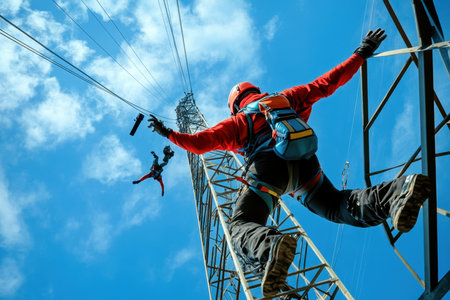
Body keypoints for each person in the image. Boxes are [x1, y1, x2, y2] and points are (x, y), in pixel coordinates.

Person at [147, 29, 431, 297]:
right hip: (306, 164)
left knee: (241, 225)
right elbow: (327, 82)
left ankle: (271, 248)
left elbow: (200, 144)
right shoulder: (285, 99)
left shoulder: (238, 121)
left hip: (269, 171)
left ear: (235, 104)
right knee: (337, 205)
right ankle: (398, 192)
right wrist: (361, 52)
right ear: (255, 90)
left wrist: (169, 133)